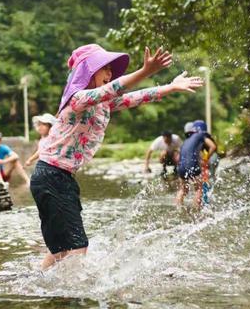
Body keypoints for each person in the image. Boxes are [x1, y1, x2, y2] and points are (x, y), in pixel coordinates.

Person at [31, 44, 204, 269]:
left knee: (62, 248)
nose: (110, 73)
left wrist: (170, 88)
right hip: (51, 176)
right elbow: (113, 88)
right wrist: (145, 71)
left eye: (111, 69)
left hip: (60, 178)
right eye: (104, 68)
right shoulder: (78, 99)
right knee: (76, 246)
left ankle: (39, 283)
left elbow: (135, 97)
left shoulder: (102, 104)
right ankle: (66, 293)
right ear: (89, 71)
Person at [175, 120, 218, 207]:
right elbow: (213, 146)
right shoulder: (201, 135)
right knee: (198, 188)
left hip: (181, 166)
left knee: (183, 190)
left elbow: (180, 156)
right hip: (192, 165)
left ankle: (178, 208)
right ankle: (197, 210)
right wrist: (206, 158)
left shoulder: (186, 140)